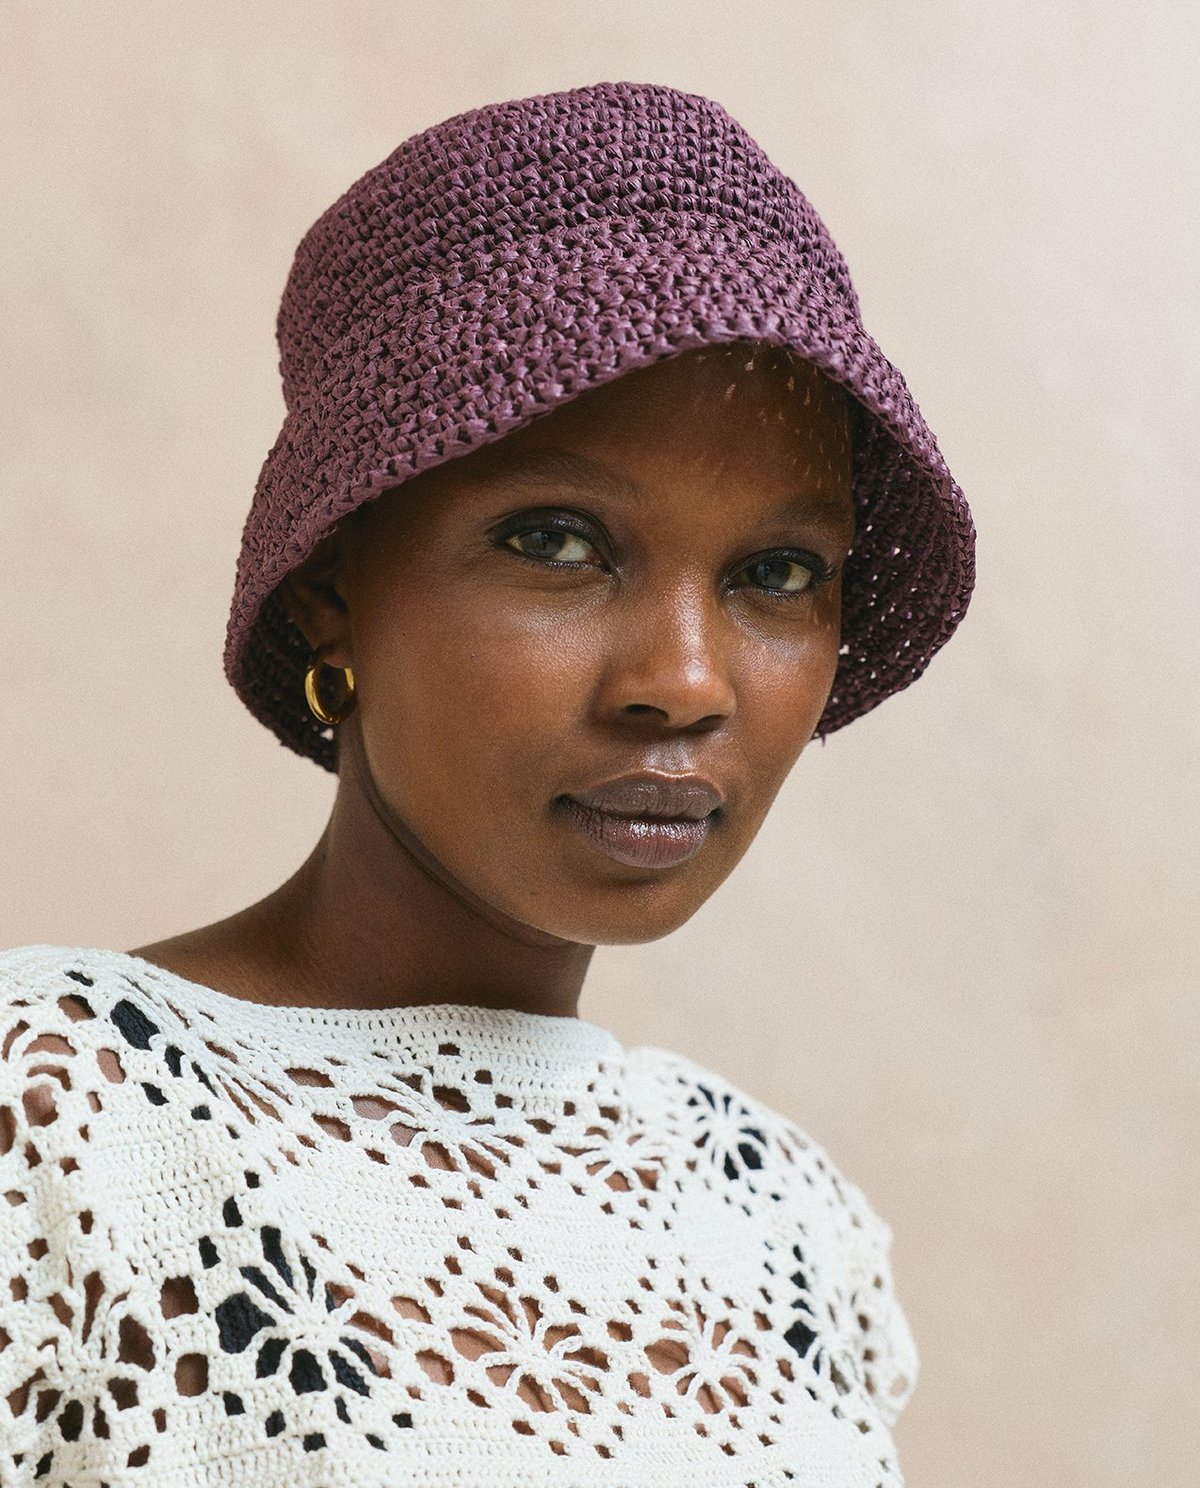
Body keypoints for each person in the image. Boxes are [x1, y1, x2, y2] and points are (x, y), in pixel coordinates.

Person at [0, 81, 974, 1485]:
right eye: (560, 542)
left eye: (775, 573)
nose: (686, 680)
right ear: (336, 587)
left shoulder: (784, 1226)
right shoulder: (66, 1122)